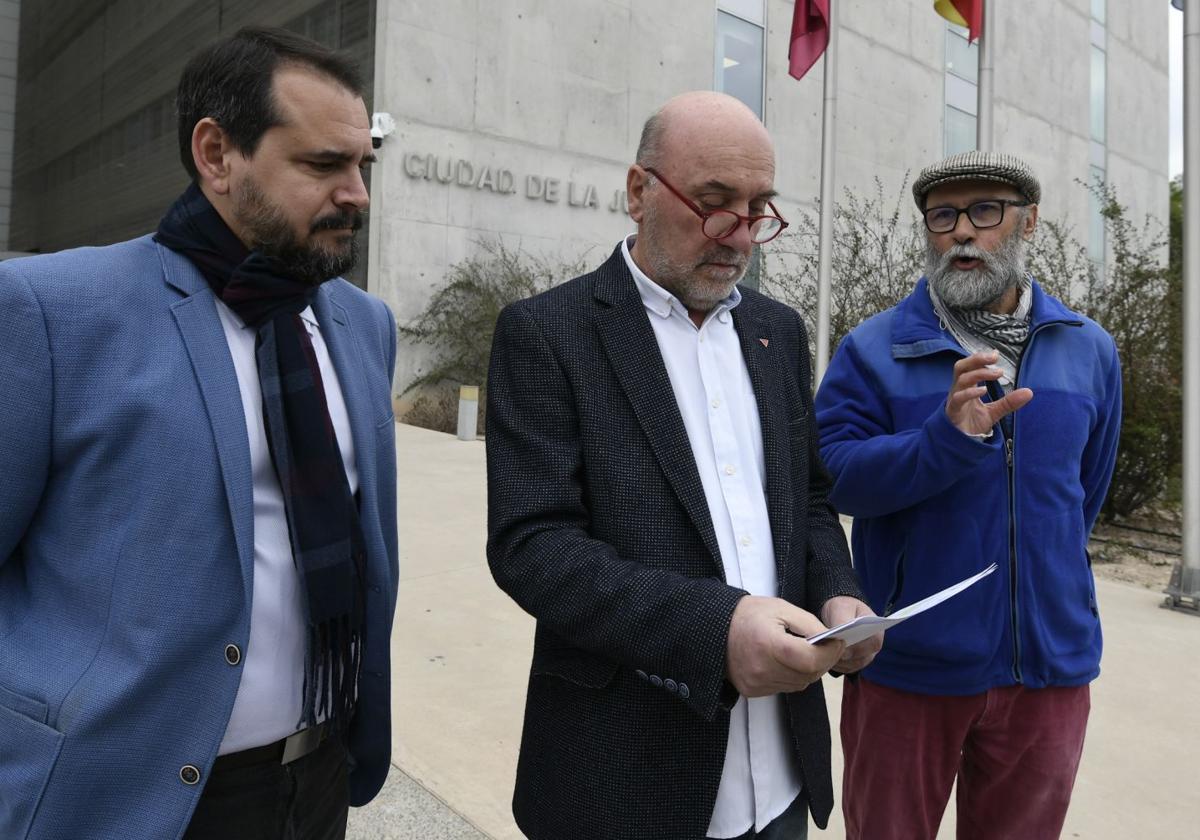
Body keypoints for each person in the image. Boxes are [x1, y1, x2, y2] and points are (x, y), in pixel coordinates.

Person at [0, 27, 399, 839]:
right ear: (217, 155)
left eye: (364, 165)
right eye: (324, 165)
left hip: (315, 778)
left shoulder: (363, 325)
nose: (356, 192)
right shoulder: (51, 312)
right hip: (122, 796)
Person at [485, 91, 880, 840]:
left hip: (781, 785)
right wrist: (716, 630)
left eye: (760, 206)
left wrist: (839, 596)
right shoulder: (548, 334)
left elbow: (811, 502)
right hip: (624, 782)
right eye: (714, 202)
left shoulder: (778, 333)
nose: (740, 235)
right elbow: (533, 549)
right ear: (638, 192)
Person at [814, 151, 1122, 839]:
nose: (962, 232)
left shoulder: (1089, 349)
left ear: (1028, 222)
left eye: (986, 212)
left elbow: (1081, 497)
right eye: (943, 216)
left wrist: (1048, 579)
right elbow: (836, 477)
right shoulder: (874, 348)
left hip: (1049, 669)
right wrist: (943, 441)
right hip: (909, 667)